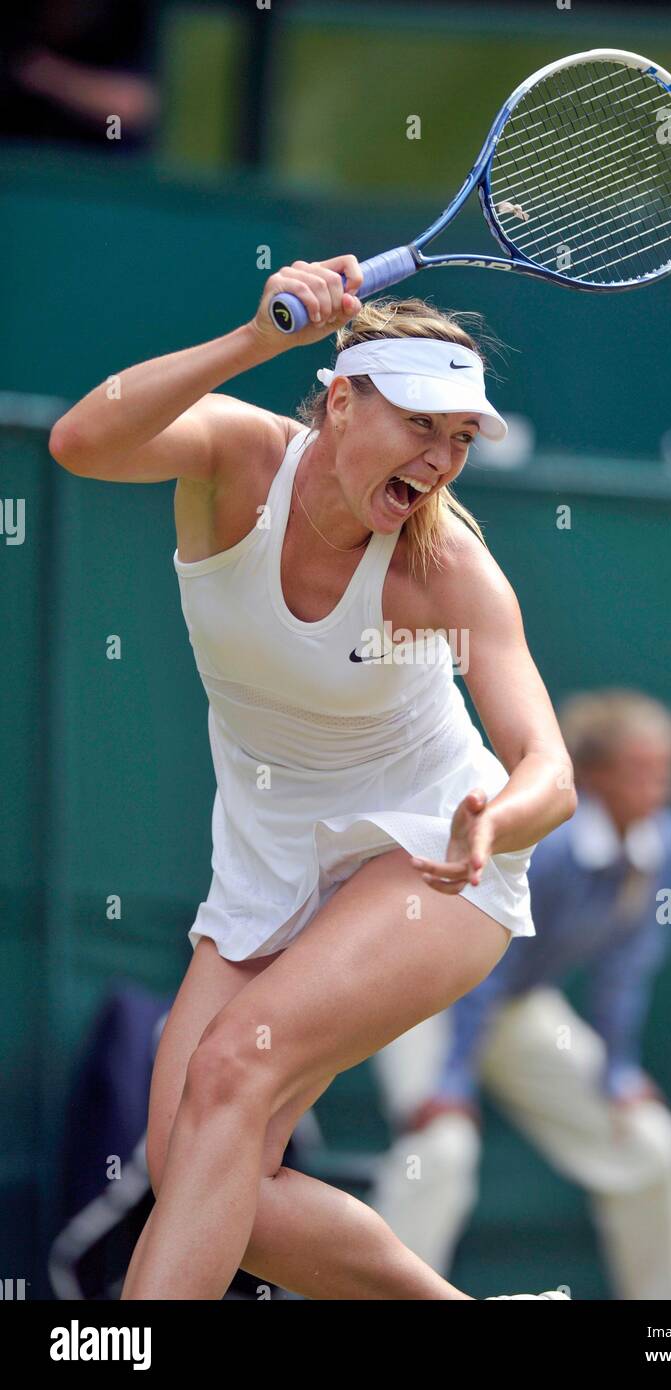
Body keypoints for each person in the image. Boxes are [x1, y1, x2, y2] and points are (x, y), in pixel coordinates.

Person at [49, 255, 577, 1300]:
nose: (440, 457)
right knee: (195, 1165)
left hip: (430, 853)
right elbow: (80, 440)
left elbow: (547, 769)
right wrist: (257, 338)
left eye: (460, 437)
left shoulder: (447, 568)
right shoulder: (238, 460)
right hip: (265, 862)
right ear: (340, 399)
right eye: (420, 424)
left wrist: (492, 822)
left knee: (233, 1074)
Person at [370, 689, 671, 1299]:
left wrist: (619, 1071)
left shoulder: (667, 845)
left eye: (667, 771)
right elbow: (483, 972)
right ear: (598, 774)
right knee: (441, 1152)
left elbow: (625, 971)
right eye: (641, 772)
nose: (661, 788)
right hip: (433, 1000)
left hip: (521, 1009)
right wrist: (451, 1084)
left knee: (653, 1148)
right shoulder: (551, 847)